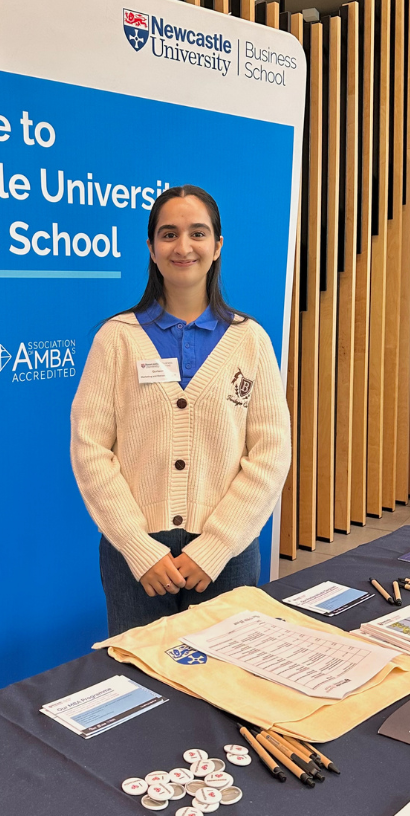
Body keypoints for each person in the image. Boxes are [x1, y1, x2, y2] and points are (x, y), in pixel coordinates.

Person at [73, 185, 291, 636]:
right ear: (151, 248)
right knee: (142, 685)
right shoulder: (116, 339)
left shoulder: (250, 340)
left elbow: (271, 454)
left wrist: (214, 547)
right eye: (168, 234)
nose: (183, 246)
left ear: (217, 246)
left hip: (227, 556)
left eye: (198, 233)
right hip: (135, 560)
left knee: (225, 683)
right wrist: (138, 547)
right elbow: (90, 449)